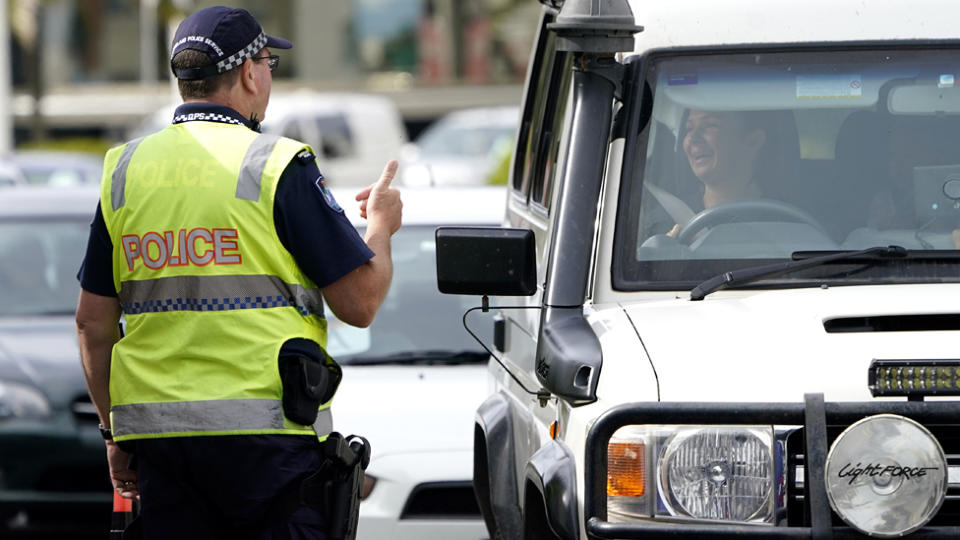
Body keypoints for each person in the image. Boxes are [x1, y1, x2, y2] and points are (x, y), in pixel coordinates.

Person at [75, 6, 401, 539]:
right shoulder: (275, 164)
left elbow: (92, 324)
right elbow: (359, 303)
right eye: (269, 61)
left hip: (163, 453)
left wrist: (114, 434)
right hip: (270, 450)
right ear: (250, 72)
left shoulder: (126, 170)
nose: (269, 75)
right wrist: (382, 228)